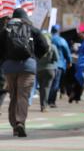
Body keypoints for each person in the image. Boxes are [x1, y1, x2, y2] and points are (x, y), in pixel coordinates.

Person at [0, 8, 49, 137]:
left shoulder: (6, 30)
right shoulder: (32, 29)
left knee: (13, 96)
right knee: (23, 96)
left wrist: (5, 60)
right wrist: (34, 57)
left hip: (9, 68)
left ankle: (14, 126)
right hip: (28, 67)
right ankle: (20, 122)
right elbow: (45, 46)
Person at [47, 25, 72, 108]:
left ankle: (45, 100)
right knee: (55, 83)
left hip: (46, 64)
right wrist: (69, 61)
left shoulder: (48, 39)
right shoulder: (61, 40)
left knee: (46, 84)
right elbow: (67, 52)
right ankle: (51, 101)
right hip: (59, 65)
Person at [36, 33, 59, 112]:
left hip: (39, 70)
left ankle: (42, 105)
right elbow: (56, 58)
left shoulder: (37, 47)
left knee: (41, 88)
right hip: (50, 69)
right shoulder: (53, 47)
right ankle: (44, 106)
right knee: (46, 88)